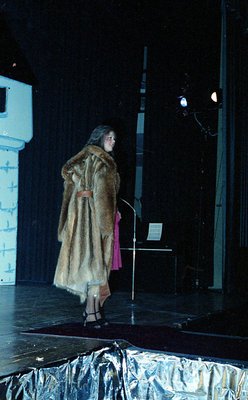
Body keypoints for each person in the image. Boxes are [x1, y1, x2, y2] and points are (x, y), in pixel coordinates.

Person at [54, 125, 121, 328]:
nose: (112, 142)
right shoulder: (100, 162)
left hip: (82, 219)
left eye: (114, 138)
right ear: (99, 138)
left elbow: (69, 195)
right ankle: (91, 312)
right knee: (95, 264)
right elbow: (102, 197)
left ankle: (92, 311)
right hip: (94, 219)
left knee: (92, 266)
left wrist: (65, 224)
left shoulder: (82, 160)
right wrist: (107, 225)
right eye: (109, 137)